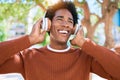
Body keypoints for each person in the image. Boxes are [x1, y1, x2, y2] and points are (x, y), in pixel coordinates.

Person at [0, 1, 120, 80]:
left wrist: (84, 43)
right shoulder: (28, 57)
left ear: (74, 28)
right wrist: (30, 39)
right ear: (48, 24)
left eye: (70, 21)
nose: (65, 24)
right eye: (60, 19)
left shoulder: (85, 58)